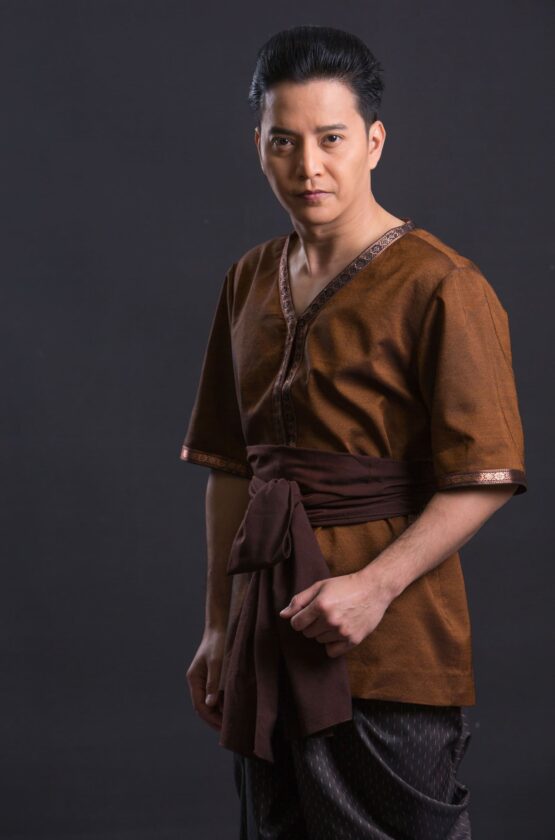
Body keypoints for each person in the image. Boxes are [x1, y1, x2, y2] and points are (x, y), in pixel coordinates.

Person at [181, 24, 528, 840]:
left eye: (331, 139)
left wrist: (372, 588)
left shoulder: (442, 284)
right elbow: (232, 470)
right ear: (259, 147)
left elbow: (484, 475)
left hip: (391, 643)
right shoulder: (247, 280)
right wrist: (220, 625)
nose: (308, 166)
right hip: (266, 629)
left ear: (373, 142)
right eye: (284, 142)